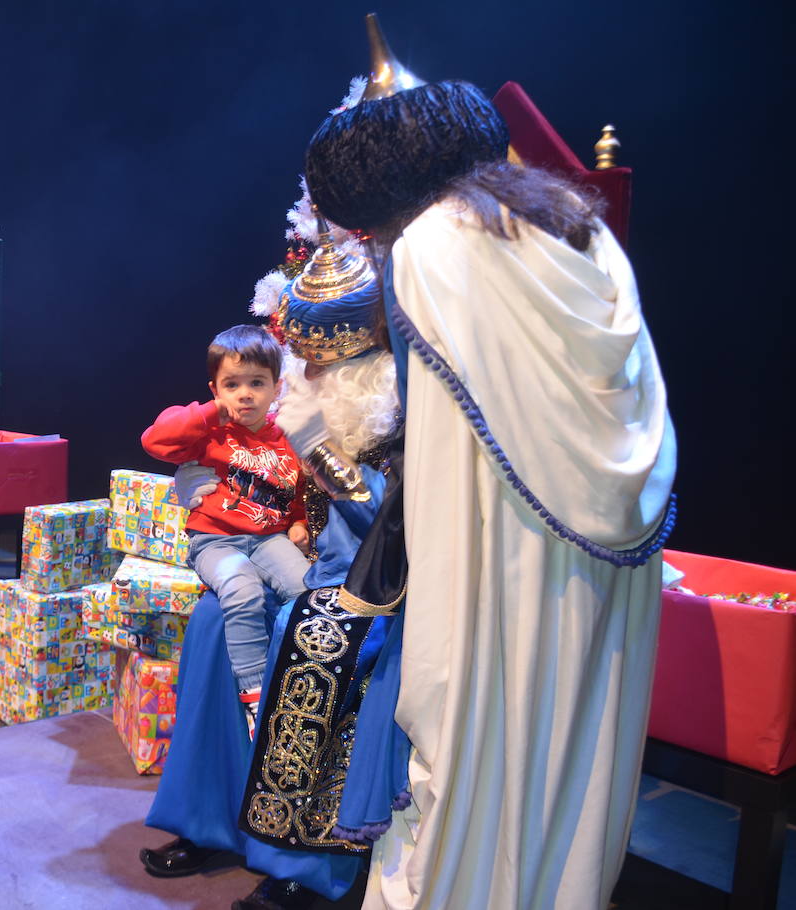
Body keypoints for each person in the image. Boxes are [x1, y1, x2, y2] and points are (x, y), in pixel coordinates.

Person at [288, 16, 676, 908]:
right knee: (572, 764)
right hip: (603, 555)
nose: (376, 244)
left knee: (469, 770)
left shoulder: (436, 244)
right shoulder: (576, 228)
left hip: (500, 551)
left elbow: (449, 446)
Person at [140, 214, 406, 910]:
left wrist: (321, 454)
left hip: (373, 587)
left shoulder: (398, 407)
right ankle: (212, 823)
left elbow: (392, 517)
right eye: (311, 361)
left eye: (332, 362)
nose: (318, 374)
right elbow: (211, 455)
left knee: (311, 645)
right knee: (211, 626)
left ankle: (306, 865)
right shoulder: (287, 406)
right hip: (289, 561)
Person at [141, 324, 311, 734]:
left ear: (276, 387)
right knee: (242, 591)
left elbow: (298, 488)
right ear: (215, 388)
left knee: (304, 590)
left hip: (268, 538)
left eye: (256, 382)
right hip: (215, 540)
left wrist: (301, 522)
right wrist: (210, 411)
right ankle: (253, 694)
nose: (245, 393)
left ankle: (301, 679)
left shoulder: (286, 438)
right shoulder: (208, 430)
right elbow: (155, 440)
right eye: (232, 384)